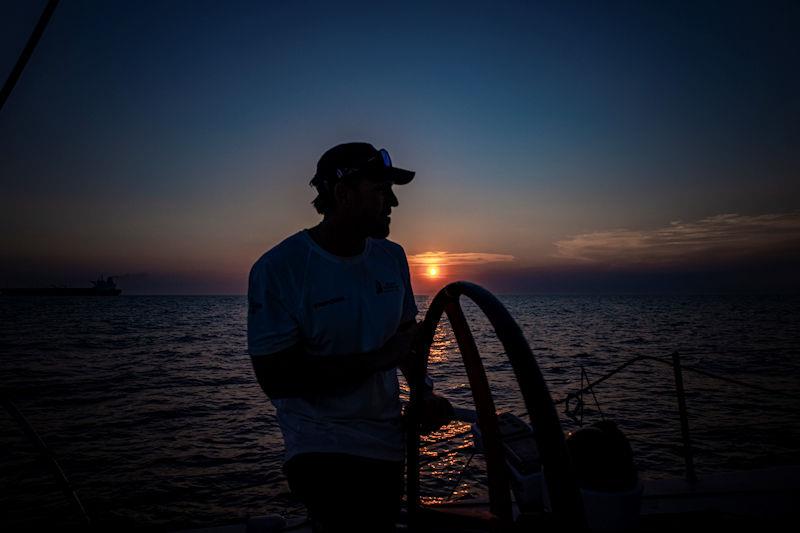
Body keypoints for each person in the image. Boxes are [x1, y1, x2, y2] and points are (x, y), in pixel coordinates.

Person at [247, 142, 453, 532]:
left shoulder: (392, 257)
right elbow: (275, 378)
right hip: (319, 445)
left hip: (385, 440)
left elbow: (406, 338)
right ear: (342, 194)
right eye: (379, 190)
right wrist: (380, 358)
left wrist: (423, 393)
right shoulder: (280, 269)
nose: (392, 201)